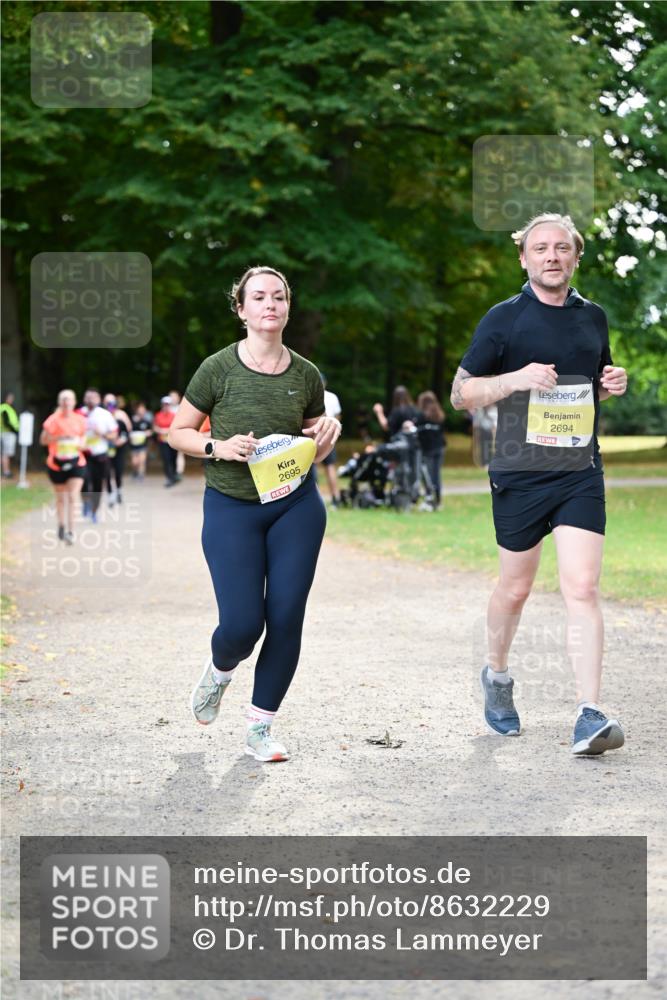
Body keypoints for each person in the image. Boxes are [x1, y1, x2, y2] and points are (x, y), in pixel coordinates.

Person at [450, 212, 628, 757]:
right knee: (516, 588)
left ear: (575, 257)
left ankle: (589, 712)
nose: (551, 256)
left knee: (582, 587)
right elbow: (462, 393)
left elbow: (588, 388)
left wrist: (612, 383)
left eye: (561, 248)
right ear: (524, 258)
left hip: (579, 471)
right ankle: (498, 676)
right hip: (519, 472)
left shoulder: (592, 317)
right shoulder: (503, 319)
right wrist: (514, 379)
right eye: (540, 248)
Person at [168, 265, 340, 762]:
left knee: (286, 617)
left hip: (295, 506)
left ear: (288, 308)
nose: (271, 304)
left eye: (279, 297)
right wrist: (216, 446)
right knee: (243, 624)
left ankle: (260, 728)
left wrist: (324, 439)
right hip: (232, 507)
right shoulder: (217, 368)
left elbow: (310, 447)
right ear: (241, 310)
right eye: (259, 297)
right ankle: (220, 671)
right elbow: (177, 432)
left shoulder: (306, 374)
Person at [40, 389, 87, 544]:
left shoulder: (80, 420)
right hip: (56, 464)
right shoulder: (52, 420)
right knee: (61, 498)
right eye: (63, 399)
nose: (66, 402)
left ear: (74, 402)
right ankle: (61, 524)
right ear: (59, 402)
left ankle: (71, 531)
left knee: (73, 496)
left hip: (76, 462)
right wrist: (59, 438)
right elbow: (43, 441)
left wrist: (79, 443)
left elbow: (84, 439)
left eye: (69, 399)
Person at [79, 388, 118, 522]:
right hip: (83, 454)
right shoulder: (79, 414)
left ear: (99, 400)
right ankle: (85, 502)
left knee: (97, 485)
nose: (90, 400)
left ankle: (94, 512)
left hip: (100, 455)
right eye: (88, 397)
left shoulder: (105, 414)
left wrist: (101, 433)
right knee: (83, 482)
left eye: (93, 397)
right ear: (84, 399)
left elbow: (114, 435)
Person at [417, 390, 446, 508]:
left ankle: (430, 497)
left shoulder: (421, 416)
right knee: (436, 474)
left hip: (428, 449)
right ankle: (438, 499)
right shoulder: (439, 415)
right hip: (440, 447)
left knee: (428, 475)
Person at [317, 374, 342, 507]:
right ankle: (335, 498)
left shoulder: (310, 395)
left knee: (310, 467)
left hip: (314, 433)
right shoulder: (332, 397)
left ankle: (314, 499)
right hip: (329, 434)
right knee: (330, 467)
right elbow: (337, 417)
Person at [103, 393, 131, 505]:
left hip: (119, 448)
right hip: (106, 448)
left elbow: (127, 431)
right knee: (107, 472)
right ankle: (110, 494)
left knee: (118, 471)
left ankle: (119, 490)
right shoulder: (102, 416)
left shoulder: (121, 416)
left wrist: (121, 440)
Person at [154, 396, 178, 487]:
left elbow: (176, 427)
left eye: (168, 405)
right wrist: (159, 430)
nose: (166, 406)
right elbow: (155, 427)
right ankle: (169, 478)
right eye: (164, 405)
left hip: (172, 440)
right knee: (166, 459)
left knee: (173, 458)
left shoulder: (173, 415)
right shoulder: (158, 415)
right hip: (162, 441)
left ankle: (174, 474)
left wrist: (167, 430)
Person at [129, 401, 153, 480]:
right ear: (137, 410)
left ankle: (141, 474)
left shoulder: (146, 421)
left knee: (142, 460)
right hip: (133, 444)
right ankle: (135, 471)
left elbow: (151, 431)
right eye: (141, 409)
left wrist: (147, 433)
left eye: (144, 409)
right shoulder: (131, 421)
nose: (142, 411)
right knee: (135, 462)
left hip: (143, 444)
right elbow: (128, 430)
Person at [0, 392, 19, 478]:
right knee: (6, 453)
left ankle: (5, 471)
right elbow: (6, 422)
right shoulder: (5, 408)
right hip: (6, 433)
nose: (12, 400)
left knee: (4, 453)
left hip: (5, 433)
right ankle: (6, 472)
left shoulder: (7, 408)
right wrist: (14, 430)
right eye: (10, 398)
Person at [169, 390, 185, 480]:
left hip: (179, 433)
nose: (173, 398)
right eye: (171, 396)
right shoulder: (166, 408)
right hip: (167, 434)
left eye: (174, 396)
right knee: (171, 455)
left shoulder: (181, 408)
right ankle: (173, 471)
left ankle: (179, 472)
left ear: (178, 398)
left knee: (180, 453)